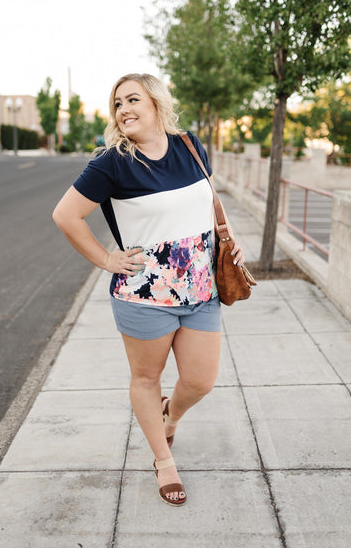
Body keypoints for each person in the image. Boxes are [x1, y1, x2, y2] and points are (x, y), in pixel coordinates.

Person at [52, 73, 245, 506]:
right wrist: (106, 259)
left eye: (132, 99)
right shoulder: (111, 163)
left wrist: (227, 232)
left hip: (201, 289)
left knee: (200, 381)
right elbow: (65, 215)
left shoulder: (190, 145)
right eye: (117, 104)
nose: (123, 110)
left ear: (157, 102)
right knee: (146, 378)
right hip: (143, 296)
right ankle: (163, 461)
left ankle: (170, 415)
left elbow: (208, 197)